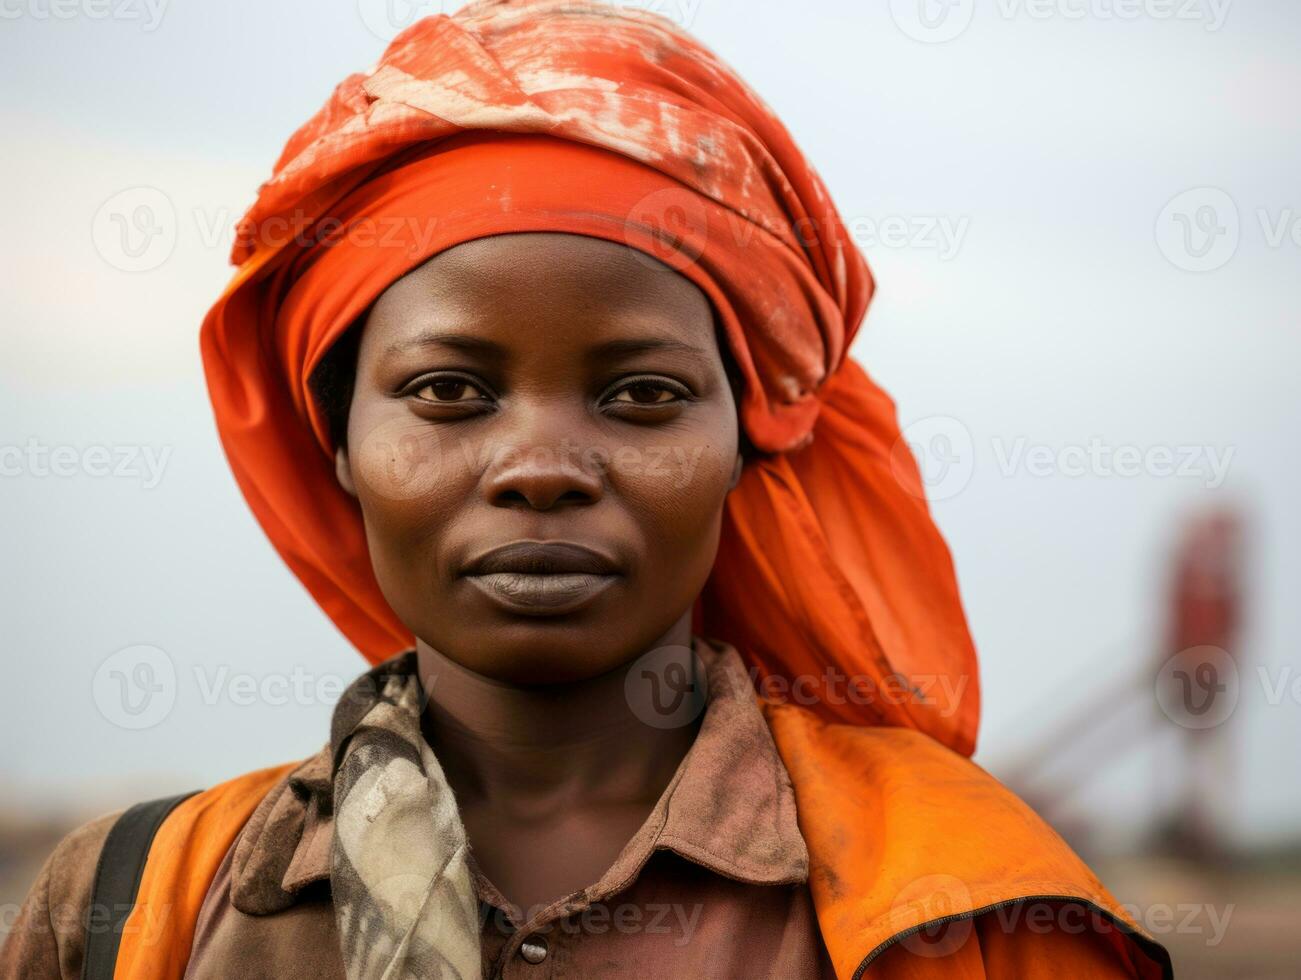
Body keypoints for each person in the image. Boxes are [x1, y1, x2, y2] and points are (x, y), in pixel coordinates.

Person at [0, 1, 1173, 977]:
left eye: (641, 396)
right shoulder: (133, 905)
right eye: (450, 391)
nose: (542, 468)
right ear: (338, 439)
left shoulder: (967, 909)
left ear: (747, 440)